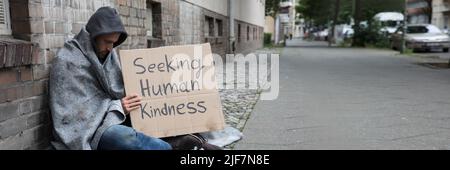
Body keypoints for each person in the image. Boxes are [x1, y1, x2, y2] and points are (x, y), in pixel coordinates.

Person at [50, 7, 222, 150]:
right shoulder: (67, 61)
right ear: (92, 37)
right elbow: (75, 118)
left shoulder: (108, 56)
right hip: (91, 132)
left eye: (114, 43)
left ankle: (186, 139)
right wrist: (118, 106)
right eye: (106, 41)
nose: (111, 49)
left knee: (149, 114)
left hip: (113, 118)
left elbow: (118, 91)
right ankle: (173, 148)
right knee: (121, 137)